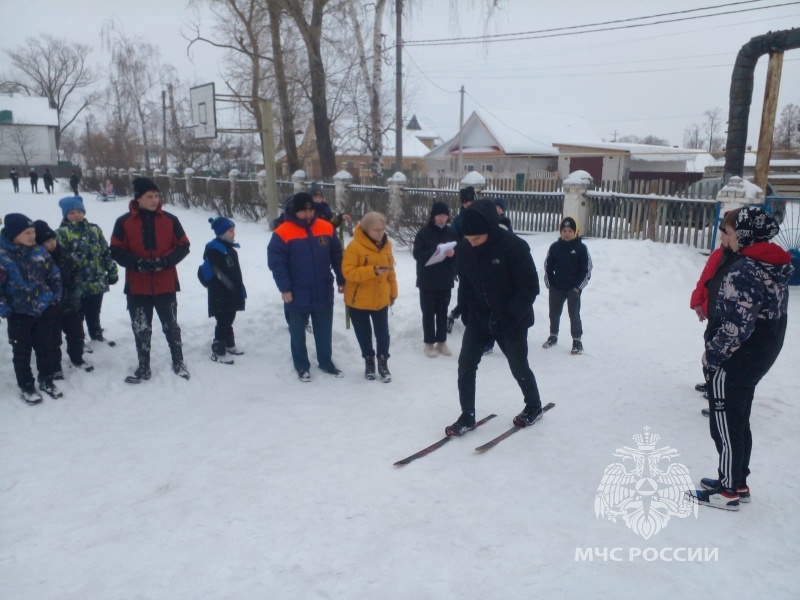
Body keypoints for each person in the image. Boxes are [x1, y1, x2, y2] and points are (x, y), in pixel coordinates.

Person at [691, 206, 792, 511]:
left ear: (745, 235)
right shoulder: (771, 265)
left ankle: (727, 490)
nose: (729, 238)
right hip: (759, 355)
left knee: (725, 424)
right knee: (738, 418)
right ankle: (738, 480)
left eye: (732, 233)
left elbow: (736, 326)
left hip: (737, 359)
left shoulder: (746, 269)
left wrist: (712, 356)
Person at [446, 199, 544, 436]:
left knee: (518, 365)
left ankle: (534, 405)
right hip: (480, 316)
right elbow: (466, 283)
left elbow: (529, 287)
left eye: (477, 239)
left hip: (511, 319)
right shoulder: (466, 248)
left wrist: (510, 316)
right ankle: (467, 415)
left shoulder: (514, 247)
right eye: (469, 239)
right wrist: (466, 310)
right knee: (466, 365)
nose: (472, 243)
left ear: (490, 228)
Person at [110, 177, 191, 383]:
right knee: (141, 328)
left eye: (156, 195)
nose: (154, 200)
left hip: (166, 283)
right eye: (149, 196)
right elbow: (116, 250)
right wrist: (137, 262)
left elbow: (183, 245)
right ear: (138, 198)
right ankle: (144, 366)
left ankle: (178, 361)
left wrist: (165, 261)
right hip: (138, 286)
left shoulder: (170, 220)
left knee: (171, 325)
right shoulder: (124, 222)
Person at [267, 192, 345, 382]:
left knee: (324, 329)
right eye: (304, 211)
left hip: (323, 287)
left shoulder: (326, 227)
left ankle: (326, 362)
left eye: (311, 210)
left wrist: (341, 279)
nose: (309, 214)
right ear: (294, 211)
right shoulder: (282, 232)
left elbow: (337, 255)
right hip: (296, 290)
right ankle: (301, 365)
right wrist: (285, 289)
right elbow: (277, 263)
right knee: (297, 331)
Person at [0, 213, 63, 403]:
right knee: (22, 352)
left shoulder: (39, 252)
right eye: (27, 233)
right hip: (18, 313)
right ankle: (27, 386)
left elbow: (54, 275)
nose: (32, 236)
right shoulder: (2, 256)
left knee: (45, 347)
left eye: (33, 232)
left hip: (44, 309)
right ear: (14, 234)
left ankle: (46, 380)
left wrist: (54, 298)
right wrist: (4, 307)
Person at [343, 211, 398, 382]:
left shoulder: (386, 245)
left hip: (380, 298)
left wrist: (393, 292)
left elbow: (390, 271)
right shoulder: (354, 246)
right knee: (364, 333)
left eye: (383, 229)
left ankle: (383, 362)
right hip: (358, 301)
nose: (381, 233)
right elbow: (348, 272)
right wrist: (373, 270)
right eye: (376, 230)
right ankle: (369, 361)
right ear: (366, 229)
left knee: (383, 334)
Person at [56, 196, 119, 345]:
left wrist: (111, 271)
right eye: (71, 213)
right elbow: (61, 258)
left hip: (97, 280)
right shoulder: (62, 233)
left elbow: (105, 252)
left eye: (79, 211)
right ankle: (79, 340)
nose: (76, 215)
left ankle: (96, 335)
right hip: (77, 283)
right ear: (66, 215)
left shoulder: (94, 230)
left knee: (94, 311)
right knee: (78, 313)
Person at [34, 220, 92, 377]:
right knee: (53, 339)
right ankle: (55, 367)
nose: (52, 244)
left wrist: (76, 291)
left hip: (69, 303)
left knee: (76, 334)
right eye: (47, 241)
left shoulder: (64, 254)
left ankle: (77, 358)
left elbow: (77, 272)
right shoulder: (36, 260)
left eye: (53, 239)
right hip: (50, 306)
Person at [689, 240, 736, 400]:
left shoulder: (736, 258)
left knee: (723, 352)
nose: (725, 239)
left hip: (724, 314)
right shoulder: (719, 253)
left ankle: (719, 389)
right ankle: (712, 381)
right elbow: (706, 278)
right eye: (724, 235)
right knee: (711, 345)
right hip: (713, 311)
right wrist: (698, 302)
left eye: (729, 234)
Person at [198, 216, 246, 365]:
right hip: (221, 294)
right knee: (223, 320)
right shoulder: (215, 250)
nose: (234, 233)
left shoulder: (229, 249)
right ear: (222, 232)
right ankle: (218, 349)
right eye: (231, 231)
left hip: (231, 292)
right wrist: (228, 285)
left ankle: (229, 343)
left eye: (234, 230)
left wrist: (238, 288)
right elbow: (215, 271)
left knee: (230, 317)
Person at [541, 216, 592, 355]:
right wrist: (550, 283)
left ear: (575, 232)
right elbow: (548, 266)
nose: (567, 233)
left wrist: (578, 286)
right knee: (554, 313)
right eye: (564, 230)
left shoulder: (580, 248)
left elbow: (586, 269)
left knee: (574, 314)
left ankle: (577, 340)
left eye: (570, 230)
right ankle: (553, 335)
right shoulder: (555, 247)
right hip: (557, 287)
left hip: (573, 288)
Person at [412, 201, 457, 358]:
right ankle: (429, 343)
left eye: (444, 216)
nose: (441, 219)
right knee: (429, 312)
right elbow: (417, 254)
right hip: (427, 280)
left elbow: (459, 255)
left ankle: (442, 342)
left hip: (445, 280)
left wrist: (453, 254)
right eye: (439, 216)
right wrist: (436, 250)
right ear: (432, 217)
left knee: (443, 312)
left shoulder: (451, 233)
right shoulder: (423, 233)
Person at [446, 185, 477, 333]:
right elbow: (453, 241)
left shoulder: (482, 214)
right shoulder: (459, 220)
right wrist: (455, 263)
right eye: (465, 201)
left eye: (470, 200)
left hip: (482, 261)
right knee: (465, 290)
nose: (468, 203)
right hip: (465, 262)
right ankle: (460, 313)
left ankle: (473, 315)